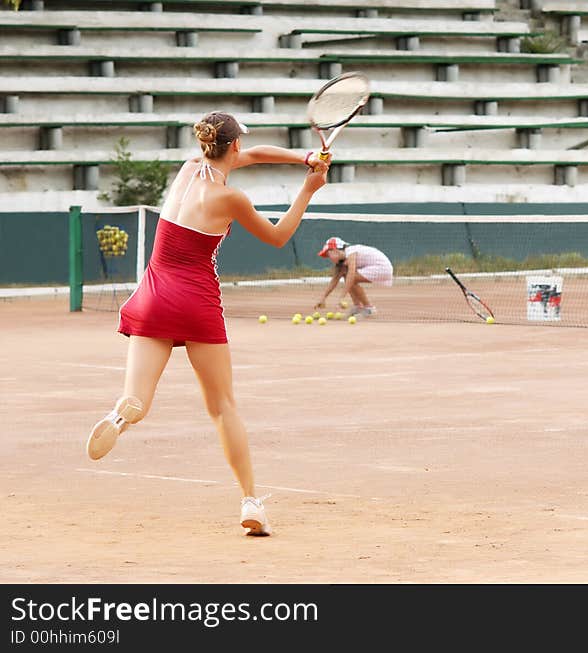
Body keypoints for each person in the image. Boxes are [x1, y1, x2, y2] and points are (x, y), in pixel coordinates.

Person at [86, 110, 329, 537]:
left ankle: (122, 414)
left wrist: (305, 156)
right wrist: (308, 188)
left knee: (138, 399)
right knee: (222, 407)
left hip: (152, 298)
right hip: (195, 302)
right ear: (232, 145)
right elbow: (277, 238)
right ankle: (250, 501)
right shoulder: (231, 199)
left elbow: (252, 155)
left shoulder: (187, 169)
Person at [314, 236, 393, 317]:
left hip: (382, 267)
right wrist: (323, 298)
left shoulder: (350, 252)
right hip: (378, 268)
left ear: (334, 250)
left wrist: (342, 297)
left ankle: (369, 308)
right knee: (347, 275)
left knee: (351, 277)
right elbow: (335, 279)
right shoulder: (343, 260)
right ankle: (358, 307)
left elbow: (351, 275)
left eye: (328, 254)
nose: (328, 257)